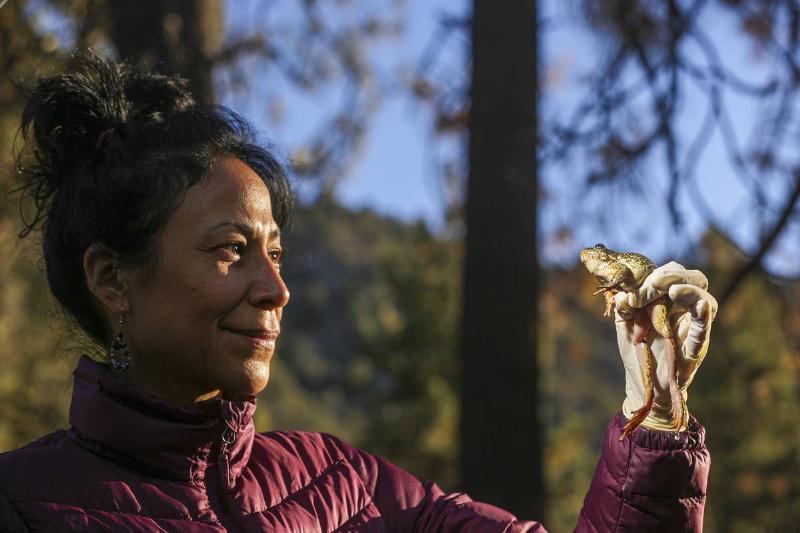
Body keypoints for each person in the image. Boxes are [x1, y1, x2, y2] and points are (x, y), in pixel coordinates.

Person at [0, 52, 716, 532]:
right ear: (111, 278)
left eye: (277, 254)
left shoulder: (344, 484)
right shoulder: (24, 500)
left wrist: (652, 417)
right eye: (231, 250)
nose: (277, 288)